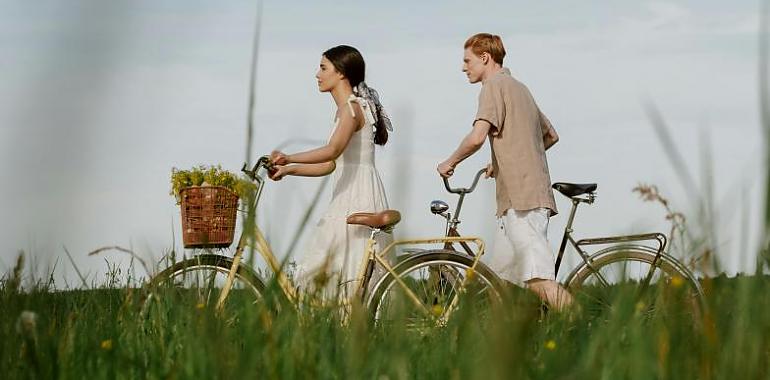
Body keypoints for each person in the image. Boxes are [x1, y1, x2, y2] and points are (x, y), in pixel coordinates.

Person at [437, 33, 573, 311]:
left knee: (538, 279)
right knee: (501, 282)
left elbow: (477, 137)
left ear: (485, 58)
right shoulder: (520, 88)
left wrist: (450, 162)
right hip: (521, 196)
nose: (464, 68)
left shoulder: (492, 87)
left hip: (523, 200)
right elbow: (550, 135)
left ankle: (585, 329)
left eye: (467, 61)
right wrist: (503, 162)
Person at [269, 45, 393, 300]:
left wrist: (289, 155)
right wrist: (290, 169)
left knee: (344, 265)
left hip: (356, 192)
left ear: (341, 74)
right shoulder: (347, 109)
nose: (317, 74)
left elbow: (332, 150)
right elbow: (330, 165)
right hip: (349, 187)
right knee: (342, 267)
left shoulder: (352, 108)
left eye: (324, 68)